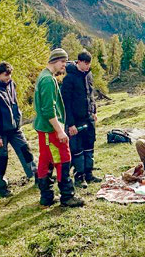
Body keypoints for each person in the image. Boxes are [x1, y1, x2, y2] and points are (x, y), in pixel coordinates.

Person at [33, 48, 84, 208]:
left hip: (45, 129)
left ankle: (46, 197)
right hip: (51, 130)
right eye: (63, 62)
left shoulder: (44, 76)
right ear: (54, 61)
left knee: (46, 160)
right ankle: (67, 196)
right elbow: (48, 109)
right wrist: (60, 130)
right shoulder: (48, 80)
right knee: (63, 158)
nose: (64, 65)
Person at [0, 61, 36, 198]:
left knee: (26, 150)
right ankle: (2, 186)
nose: (9, 78)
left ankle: (36, 175)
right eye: (6, 75)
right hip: (0, 132)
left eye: (10, 75)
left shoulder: (11, 84)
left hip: (15, 128)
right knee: (2, 159)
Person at [61, 51, 100, 187]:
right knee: (77, 149)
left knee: (89, 145)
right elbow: (66, 103)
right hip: (75, 121)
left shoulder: (89, 75)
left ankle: (89, 174)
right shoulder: (69, 79)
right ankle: (79, 177)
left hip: (89, 118)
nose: (88, 66)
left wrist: (94, 110)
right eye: (86, 64)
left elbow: (91, 94)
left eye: (90, 64)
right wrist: (70, 124)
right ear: (79, 62)